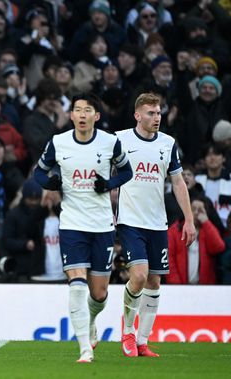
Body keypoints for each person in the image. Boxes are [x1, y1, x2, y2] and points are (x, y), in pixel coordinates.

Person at [34, 93, 133, 363]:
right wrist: (50, 183)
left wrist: (109, 184)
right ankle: (84, 349)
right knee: (77, 285)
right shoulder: (59, 142)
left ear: (96, 116)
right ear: (72, 115)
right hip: (71, 224)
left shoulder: (110, 142)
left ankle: (90, 322)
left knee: (99, 294)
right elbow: (39, 172)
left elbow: (127, 172)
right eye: (77, 110)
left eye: (87, 110)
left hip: (101, 226)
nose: (81, 114)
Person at [115, 93, 196, 358]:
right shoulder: (120, 139)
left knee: (154, 281)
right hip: (130, 222)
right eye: (150, 113)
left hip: (157, 223)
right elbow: (104, 175)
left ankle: (142, 341)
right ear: (137, 115)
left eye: (159, 113)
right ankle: (127, 331)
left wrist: (189, 220)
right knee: (138, 276)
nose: (156, 118)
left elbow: (177, 182)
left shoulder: (168, 143)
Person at [166, 196, 225, 285]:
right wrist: (176, 286)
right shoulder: (174, 231)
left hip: (204, 288)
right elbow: (169, 261)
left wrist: (206, 222)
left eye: (201, 210)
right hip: (179, 287)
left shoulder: (208, 228)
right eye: (193, 209)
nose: (197, 213)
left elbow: (219, 247)